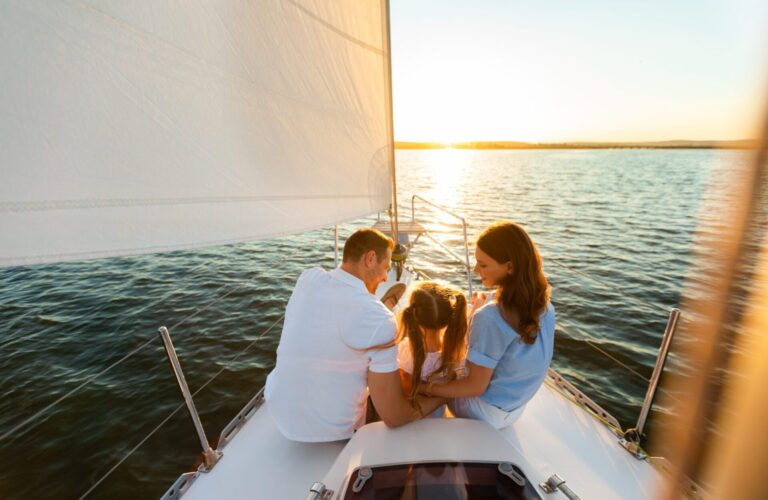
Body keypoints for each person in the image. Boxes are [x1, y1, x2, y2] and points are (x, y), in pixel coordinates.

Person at [264, 228, 445, 442]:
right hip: (333, 431)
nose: (387, 276)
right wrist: (441, 396)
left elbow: (339, 303)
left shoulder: (308, 278)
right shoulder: (380, 320)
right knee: (386, 381)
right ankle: (386, 306)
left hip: (277, 409)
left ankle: (385, 303)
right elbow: (395, 416)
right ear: (370, 258)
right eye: (386, 267)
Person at [419, 221, 555, 429]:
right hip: (514, 410)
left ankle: (429, 428)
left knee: (433, 364)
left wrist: (428, 388)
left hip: (482, 413)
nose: (475, 269)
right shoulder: (544, 305)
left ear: (510, 267)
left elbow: (474, 386)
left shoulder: (490, 317)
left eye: (483, 265)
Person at [395, 282, 468, 416]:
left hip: (413, 420)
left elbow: (405, 388)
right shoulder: (454, 352)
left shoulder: (406, 350)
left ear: (413, 314)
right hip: (438, 419)